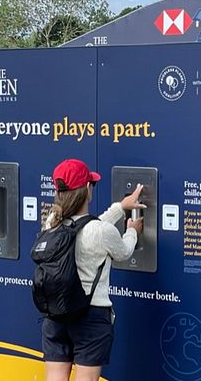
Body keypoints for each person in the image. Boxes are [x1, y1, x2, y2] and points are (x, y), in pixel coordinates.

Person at [42, 158, 144, 381]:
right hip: (91, 315)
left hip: (56, 315)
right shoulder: (101, 232)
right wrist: (132, 231)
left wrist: (119, 207)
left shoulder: (52, 222)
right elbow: (124, 252)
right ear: (88, 189)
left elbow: (88, 226)